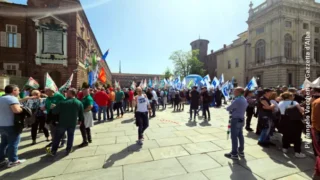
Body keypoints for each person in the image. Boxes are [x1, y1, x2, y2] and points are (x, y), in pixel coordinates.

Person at [46, 88, 84, 156]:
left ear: (70, 94)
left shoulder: (62, 102)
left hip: (62, 123)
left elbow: (54, 112)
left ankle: (53, 151)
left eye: (67, 92)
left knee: (57, 137)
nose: (66, 93)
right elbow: (81, 113)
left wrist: (53, 107)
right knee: (70, 136)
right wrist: (80, 120)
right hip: (72, 122)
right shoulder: (79, 102)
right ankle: (68, 149)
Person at [0, 85, 25, 168]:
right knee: (13, 143)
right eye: (18, 90)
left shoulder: (1, 98)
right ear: (13, 91)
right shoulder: (12, 98)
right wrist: (23, 108)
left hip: (2, 124)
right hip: (10, 124)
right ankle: (13, 160)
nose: (19, 92)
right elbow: (16, 110)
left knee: (4, 143)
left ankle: (1, 159)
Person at [279, 92, 305, 158]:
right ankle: (297, 152)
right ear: (290, 97)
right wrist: (303, 109)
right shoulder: (294, 103)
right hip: (294, 121)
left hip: (284, 120)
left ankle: (285, 148)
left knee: (285, 134)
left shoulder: (280, 103)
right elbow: (301, 111)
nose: (293, 97)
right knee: (297, 136)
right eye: (292, 96)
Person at [224, 87, 248, 160]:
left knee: (234, 136)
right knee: (240, 135)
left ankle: (234, 153)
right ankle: (240, 150)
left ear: (238, 92)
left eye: (235, 91)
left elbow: (229, 108)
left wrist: (228, 106)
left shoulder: (238, 100)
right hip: (241, 118)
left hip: (236, 119)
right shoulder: (244, 99)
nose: (233, 92)